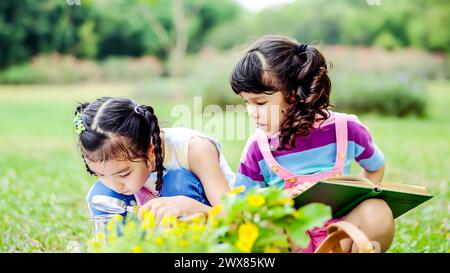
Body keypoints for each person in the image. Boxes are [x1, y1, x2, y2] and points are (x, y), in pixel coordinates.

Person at [229, 35, 395, 252]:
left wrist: (353, 195)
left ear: (294, 94)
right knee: (264, 224)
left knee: (377, 209)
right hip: (293, 239)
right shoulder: (258, 148)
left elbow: (375, 167)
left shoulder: (346, 129)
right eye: (246, 102)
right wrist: (279, 200)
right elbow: (241, 203)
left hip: (340, 236)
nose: (252, 113)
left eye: (260, 103)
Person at [73, 96, 235, 225]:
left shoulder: (195, 149)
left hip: (208, 221)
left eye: (124, 174)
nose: (115, 185)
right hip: (155, 227)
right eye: (99, 174)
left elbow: (234, 218)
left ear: (150, 151)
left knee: (177, 181)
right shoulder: (114, 184)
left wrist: (187, 206)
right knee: (102, 194)